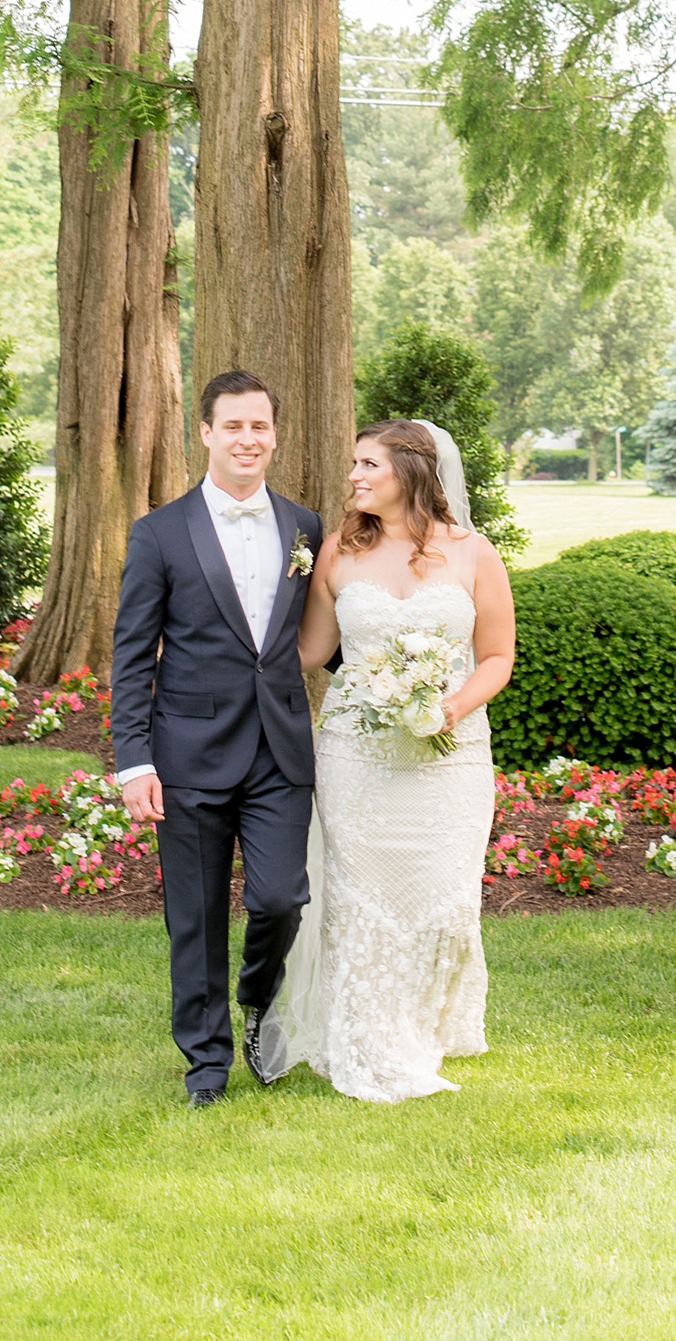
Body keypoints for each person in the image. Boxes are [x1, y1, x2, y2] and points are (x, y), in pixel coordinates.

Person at [259, 417, 515, 1104]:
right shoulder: (339, 552)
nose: (354, 477)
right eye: (354, 464)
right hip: (356, 755)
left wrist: (453, 707)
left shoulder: (472, 553)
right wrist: (218, 659)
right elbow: (310, 652)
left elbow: (497, 658)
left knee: (445, 899)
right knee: (358, 899)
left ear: (413, 472)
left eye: (368, 464)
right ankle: (367, 1035)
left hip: (450, 757)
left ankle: (420, 1027)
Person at [110, 371, 325, 1108]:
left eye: (259, 426)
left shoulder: (306, 528)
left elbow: (321, 633)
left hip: (280, 751)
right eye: (232, 426)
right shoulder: (160, 532)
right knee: (195, 920)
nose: (247, 439)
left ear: (274, 434)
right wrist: (134, 760)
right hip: (188, 754)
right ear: (204, 433)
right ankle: (206, 1063)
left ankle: (259, 1001)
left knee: (279, 900)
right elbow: (132, 655)